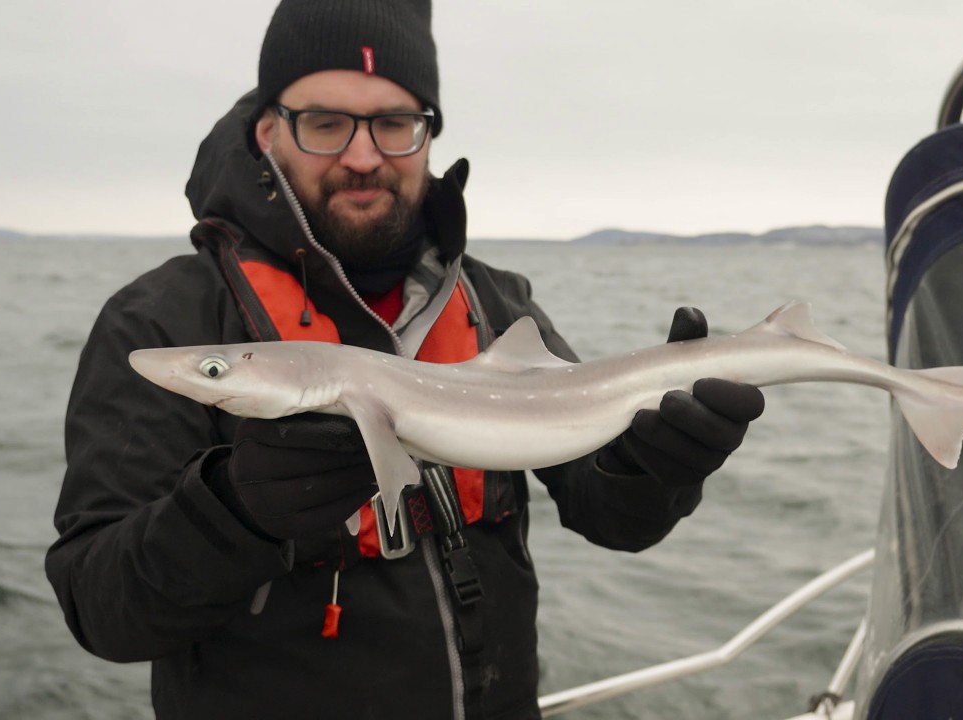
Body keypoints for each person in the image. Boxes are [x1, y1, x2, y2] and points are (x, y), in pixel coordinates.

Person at [44, 1, 765, 718]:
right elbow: (101, 610)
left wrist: (657, 464)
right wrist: (233, 511)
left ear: (428, 135)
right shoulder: (164, 319)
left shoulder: (495, 304)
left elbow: (612, 516)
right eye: (325, 123)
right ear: (267, 131)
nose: (363, 157)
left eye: (394, 124)